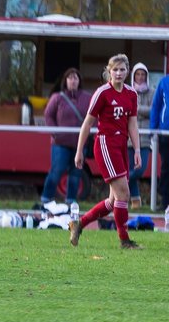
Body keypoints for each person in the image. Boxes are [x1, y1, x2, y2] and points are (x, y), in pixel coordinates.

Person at [70, 54, 141, 250]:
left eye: (122, 69)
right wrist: (79, 151)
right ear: (109, 72)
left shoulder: (131, 94)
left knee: (113, 201)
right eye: (115, 70)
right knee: (124, 194)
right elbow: (87, 123)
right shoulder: (102, 93)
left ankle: (79, 224)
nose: (118, 73)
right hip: (105, 144)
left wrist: (137, 149)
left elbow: (132, 125)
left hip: (120, 145)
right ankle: (124, 240)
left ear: (127, 71)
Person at [40, 68, 91, 207]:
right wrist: (55, 133)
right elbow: (48, 115)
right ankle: (46, 200)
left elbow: (94, 116)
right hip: (60, 143)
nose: (73, 81)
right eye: (70, 78)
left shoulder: (88, 98)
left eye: (75, 78)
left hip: (80, 144)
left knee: (76, 174)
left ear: (79, 81)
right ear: (65, 81)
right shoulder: (57, 97)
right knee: (56, 171)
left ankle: (71, 202)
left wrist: (90, 133)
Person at [128, 63, 152, 209]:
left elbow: (152, 110)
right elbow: (128, 112)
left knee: (138, 170)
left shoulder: (152, 92)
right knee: (130, 168)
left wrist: (136, 110)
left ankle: (120, 184)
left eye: (143, 74)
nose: (140, 77)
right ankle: (136, 201)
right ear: (134, 76)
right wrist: (138, 113)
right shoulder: (128, 91)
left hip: (144, 138)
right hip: (128, 138)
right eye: (138, 74)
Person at [151, 66, 169, 206]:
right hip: (165, 133)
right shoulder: (164, 82)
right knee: (166, 167)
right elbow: (156, 106)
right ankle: (165, 201)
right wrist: (153, 129)